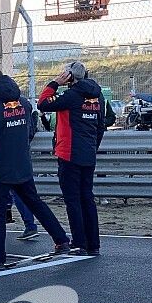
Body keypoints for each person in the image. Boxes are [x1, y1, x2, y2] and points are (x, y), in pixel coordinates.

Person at [0, 68, 71, 269]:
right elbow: (30, 130)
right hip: (22, 164)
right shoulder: (23, 102)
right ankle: (62, 240)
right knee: (35, 203)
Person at [38, 61, 105, 256]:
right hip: (88, 153)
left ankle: (79, 243)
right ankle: (93, 244)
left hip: (69, 154)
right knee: (87, 198)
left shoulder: (72, 95)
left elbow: (42, 103)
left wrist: (55, 82)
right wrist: (92, 148)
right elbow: (101, 127)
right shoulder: (97, 95)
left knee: (73, 200)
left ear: (69, 76)